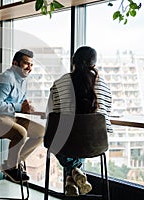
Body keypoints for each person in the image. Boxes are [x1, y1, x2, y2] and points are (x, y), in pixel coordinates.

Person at [46, 46, 113, 196]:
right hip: (93, 143)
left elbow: (51, 116)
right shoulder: (104, 86)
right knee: (83, 135)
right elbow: (105, 119)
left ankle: (72, 174)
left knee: (58, 137)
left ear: (73, 61)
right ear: (94, 64)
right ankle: (75, 172)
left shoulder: (58, 84)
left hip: (64, 143)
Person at [0, 49, 45, 183]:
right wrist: (20, 107)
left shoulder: (22, 80)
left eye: (31, 65)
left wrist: (28, 108)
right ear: (15, 63)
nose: (30, 68)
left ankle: (11, 164)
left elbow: (17, 103)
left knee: (41, 133)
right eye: (26, 64)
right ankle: (11, 166)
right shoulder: (6, 78)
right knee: (21, 133)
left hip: (8, 117)